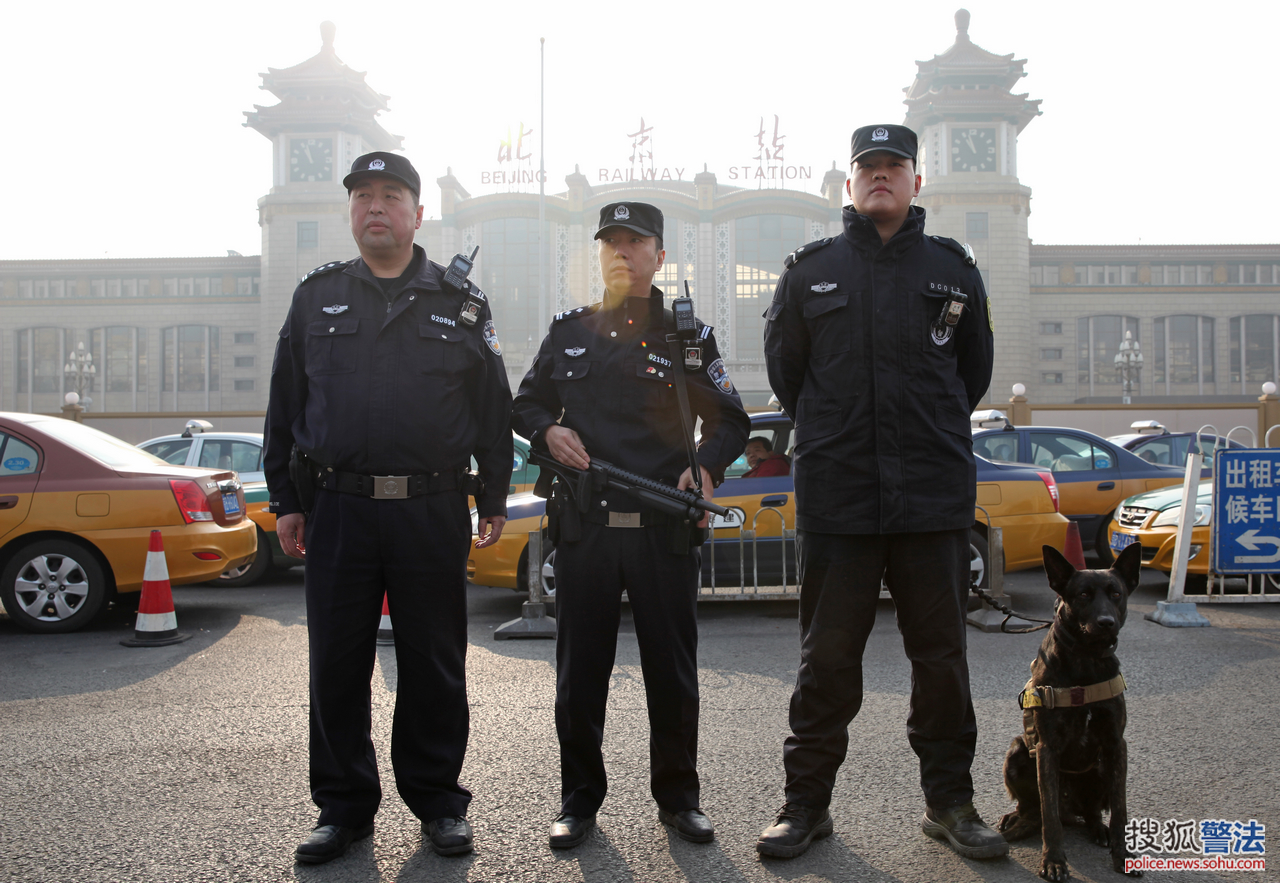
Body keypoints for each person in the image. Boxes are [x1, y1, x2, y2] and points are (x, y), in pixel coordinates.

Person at [756, 125, 1002, 860]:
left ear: (917, 182)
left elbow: (974, 374)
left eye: (895, 167)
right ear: (851, 184)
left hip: (930, 498)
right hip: (843, 501)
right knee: (826, 660)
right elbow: (787, 377)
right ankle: (806, 805)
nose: (882, 178)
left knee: (942, 660)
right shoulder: (811, 272)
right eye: (869, 168)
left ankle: (951, 803)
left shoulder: (954, 270)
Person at [264, 152, 513, 865]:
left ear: (417, 213)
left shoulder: (462, 302)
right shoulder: (316, 297)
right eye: (364, 196)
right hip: (338, 507)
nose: (376, 206)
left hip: (430, 506)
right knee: (336, 662)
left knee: (434, 661)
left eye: (391, 195)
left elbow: (492, 409)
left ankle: (438, 799)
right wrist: (286, 498)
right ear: (351, 212)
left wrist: (493, 493)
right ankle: (342, 806)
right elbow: (285, 405)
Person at [512, 202, 750, 849]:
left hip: (661, 530)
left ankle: (679, 799)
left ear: (659, 255)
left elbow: (731, 419)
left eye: (634, 241)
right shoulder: (570, 332)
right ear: (599, 255)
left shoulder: (687, 335)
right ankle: (578, 800)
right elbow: (526, 402)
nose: (621, 251)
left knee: (671, 673)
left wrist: (704, 465)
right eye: (610, 242)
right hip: (586, 528)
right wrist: (547, 429)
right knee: (579, 673)